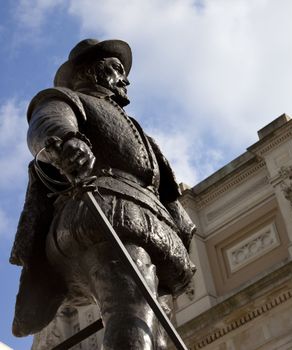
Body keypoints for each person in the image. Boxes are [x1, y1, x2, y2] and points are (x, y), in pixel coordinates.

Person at [10, 39, 196, 349]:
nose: (126, 79)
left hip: (143, 222)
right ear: (92, 72)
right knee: (132, 310)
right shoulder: (70, 100)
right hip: (98, 215)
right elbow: (46, 123)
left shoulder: (137, 130)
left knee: (159, 338)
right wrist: (68, 142)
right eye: (117, 69)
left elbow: (163, 188)